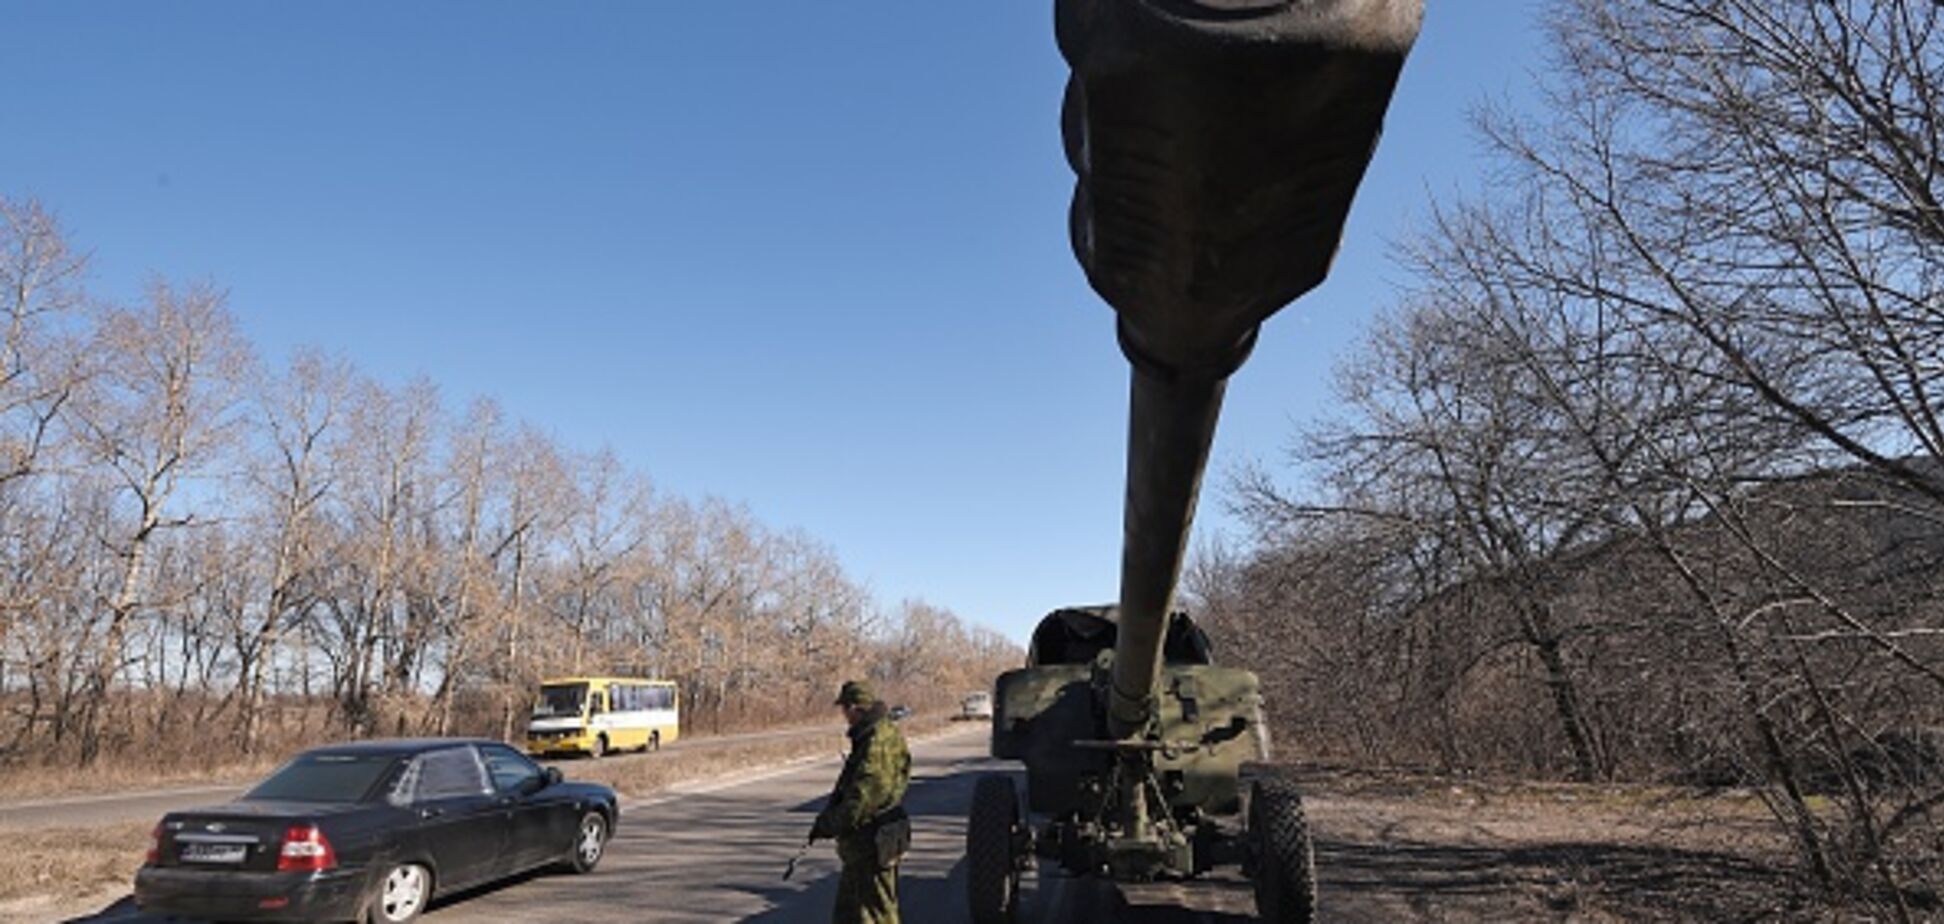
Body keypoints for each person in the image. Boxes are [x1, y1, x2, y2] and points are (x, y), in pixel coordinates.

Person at [810, 679, 912, 924]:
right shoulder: (883, 731)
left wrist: (827, 824)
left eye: (844, 710)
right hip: (872, 839)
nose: (844, 716)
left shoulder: (876, 741)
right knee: (849, 912)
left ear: (855, 708)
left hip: (872, 839)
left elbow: (863, 799)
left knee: (877, 913)